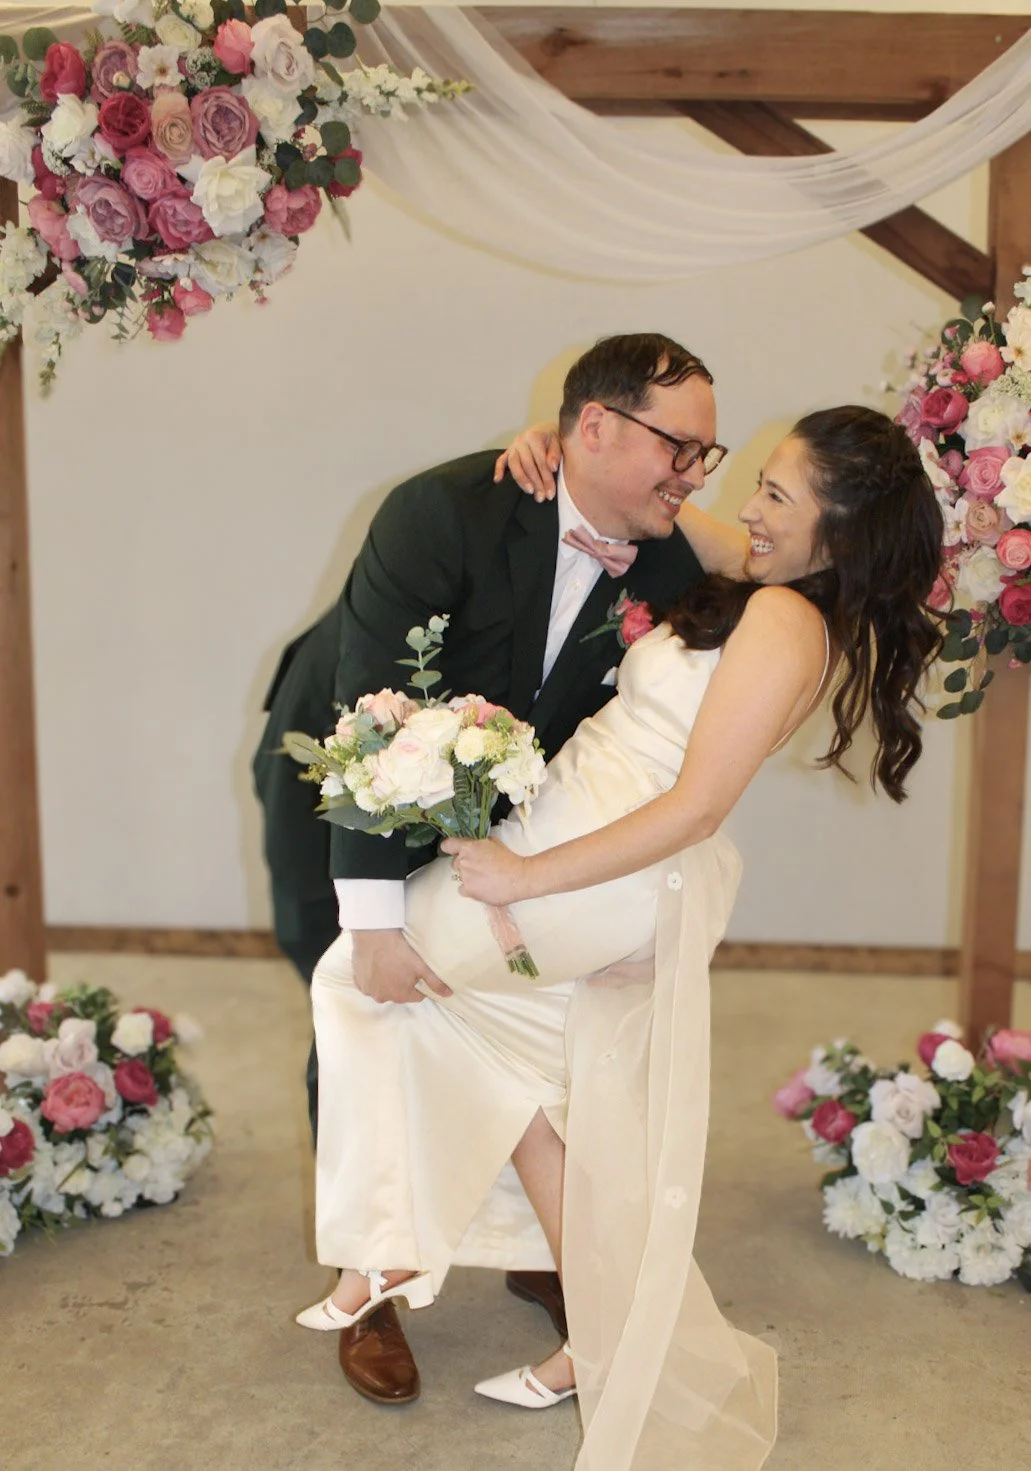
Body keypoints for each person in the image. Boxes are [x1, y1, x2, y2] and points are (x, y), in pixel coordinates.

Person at [297, 403, 943, 1467]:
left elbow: (694, 806)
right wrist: (558, 451)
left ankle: (378, 1256)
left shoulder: (784, 624)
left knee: (367, 977)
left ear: (840, 530)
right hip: (589, 856)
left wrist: (522, 874)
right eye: (761, 481)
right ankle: (598, 1341)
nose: (751, 507)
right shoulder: (780, 584)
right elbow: (674, 509)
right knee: (526, 1091)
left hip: (588, 866)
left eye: (777, 495)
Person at [254, 332, 732, 1403]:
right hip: (334, 782)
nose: (695, 474)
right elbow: (365, 718)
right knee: (363, 1012)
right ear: (593, 426)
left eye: (708, 452)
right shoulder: (443, 510)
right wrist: (373, 920)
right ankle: (373, 1276)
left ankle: (525, 1242)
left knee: (512, 1027)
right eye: (679, 447)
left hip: (491, 828)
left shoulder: (662, 559)